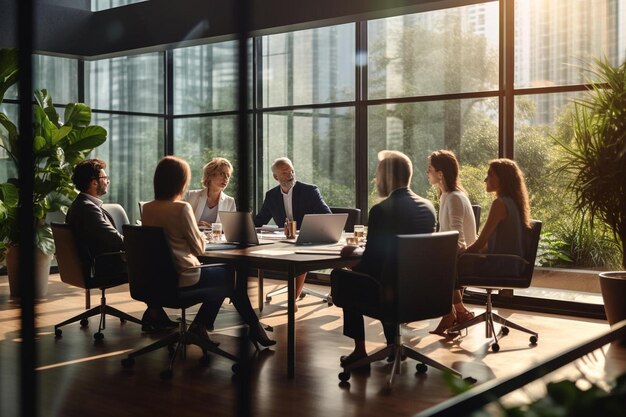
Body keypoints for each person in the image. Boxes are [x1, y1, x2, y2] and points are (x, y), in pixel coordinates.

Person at [142, 156, 275, 347]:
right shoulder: (182, 207)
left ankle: (226, 326)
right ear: (180, 181)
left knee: (226, 276)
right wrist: (200, 233)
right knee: (229, 277)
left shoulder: (147, 208)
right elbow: (198, 248)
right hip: (182, 274)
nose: (225, 178)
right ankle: (207, 324)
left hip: (155, 279)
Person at [333, 150, 436, 367]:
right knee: (390, 272)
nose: (375, 178)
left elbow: (371, 263)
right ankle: (392, 343)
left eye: (378, 173)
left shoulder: (382, 210)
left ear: (388, 177)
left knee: (344, 278)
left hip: (390, 292)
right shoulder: (428, 208)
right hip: (424, 291)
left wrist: (352, 256)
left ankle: (360, 350)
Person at [66, 158, 177, 332]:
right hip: (103, 265)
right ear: (94, 183)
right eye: (105, 178)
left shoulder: (81, 204)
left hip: (95, 262)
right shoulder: (87, 208)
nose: (108, 181)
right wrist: (144, 244)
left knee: (149, 260)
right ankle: (156, 313)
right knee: (155, 263)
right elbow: (114, 240)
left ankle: (154, 312)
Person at [254, 157, 331, 303]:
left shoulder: (310, 191)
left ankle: (292, 299)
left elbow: (327, 215)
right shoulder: (271, 196)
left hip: (307, 239)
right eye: (285, 172)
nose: (290, 175)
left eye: (292, 171)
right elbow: (260, 220)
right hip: (284, 240)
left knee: (300, 253)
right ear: (276, 177)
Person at [426, 150, 478, 336]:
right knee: (430, 258)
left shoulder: (455, 197)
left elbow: (459, 241)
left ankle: (456, 312)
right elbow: (445, 235)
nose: (427, 173)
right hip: (456, 255)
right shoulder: (446, 196)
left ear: (440, 174)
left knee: (433, 264)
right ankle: (456, 312)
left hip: (467, 257)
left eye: (430, 169)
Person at [184, 157, 236, 227]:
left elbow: (231, 229)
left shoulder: (230, 202)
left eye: (228, 175)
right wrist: (194, 225)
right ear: (211, 175)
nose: (226, 178)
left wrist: (212, 226)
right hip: (193, 237)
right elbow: (180, 222)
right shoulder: (190, 195)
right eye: (222, 174)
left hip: (217, 238)